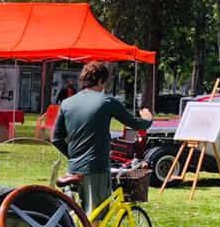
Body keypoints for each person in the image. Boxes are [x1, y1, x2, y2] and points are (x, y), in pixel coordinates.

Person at [52, 60, 152, 215]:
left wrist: (73, 156)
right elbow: (136, 124)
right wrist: (148, 118)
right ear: (100, 81)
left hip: (73, 168)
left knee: (76, 215)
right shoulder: (106, 101)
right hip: (96, 168)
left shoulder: (66, 103)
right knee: (94, 216)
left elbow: (56, 138)